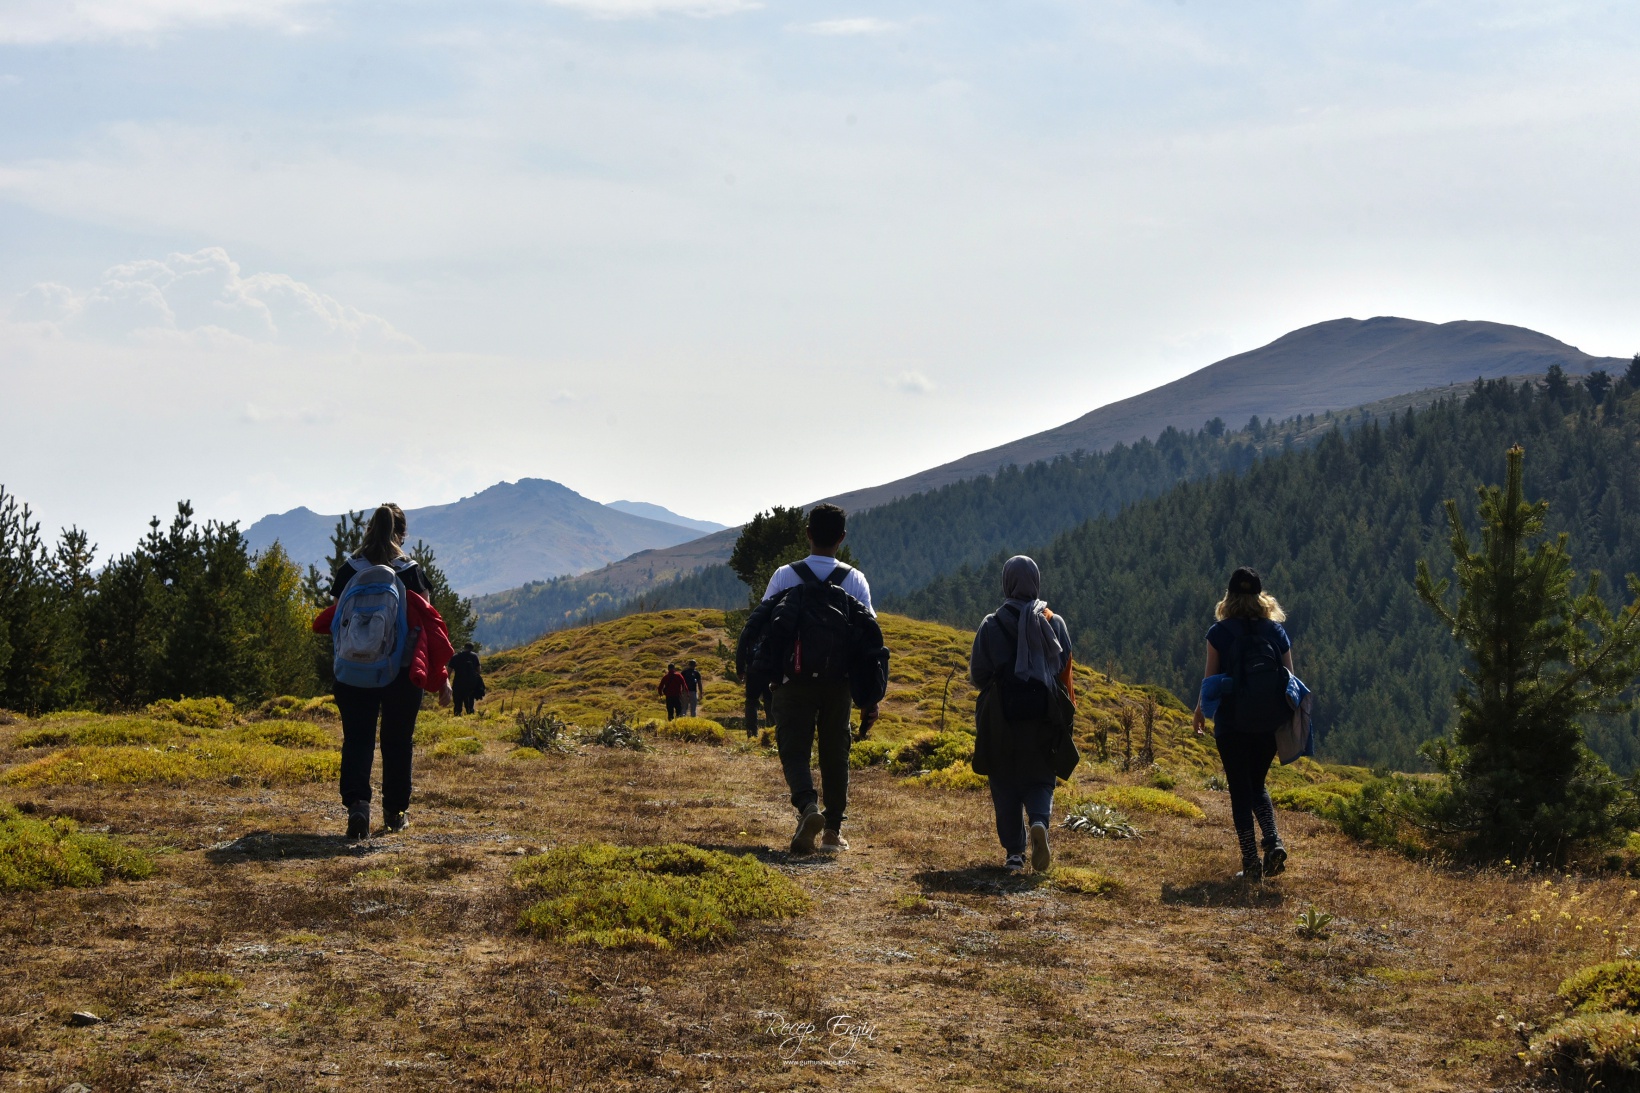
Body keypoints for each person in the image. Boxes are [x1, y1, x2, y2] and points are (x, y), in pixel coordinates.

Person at [754, 503, 881, 855]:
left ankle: (808, 808)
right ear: (841, 538)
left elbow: (766, 626)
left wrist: (767, 679)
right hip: (839, 684)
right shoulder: (854, 580)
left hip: (791, 681)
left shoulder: (784, 576)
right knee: (835, 752)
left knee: (794, 749)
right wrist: (871, 696)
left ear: (807, 533)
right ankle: (832, 831)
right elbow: (871, 640)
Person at [321, 503, 452, 839]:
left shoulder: (350, 568)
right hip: (401, 671)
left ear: (368, 528)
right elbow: (428, 625)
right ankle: (394, 813)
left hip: (353, 671)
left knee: (358, 739)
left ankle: (358, 807)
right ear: (402, 533)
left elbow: (336, 618)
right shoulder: (409, 570)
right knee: (397, 741)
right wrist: (442, 676)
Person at [969, 556, 1078, 874]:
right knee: (1041, 778)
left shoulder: (991, 623)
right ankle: (1039, 824)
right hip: (1044, 717)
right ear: (1036, 581)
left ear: (1007, 582)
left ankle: (1014, 854)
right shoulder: (1054, 622)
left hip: (1002, 717)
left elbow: (978, 674)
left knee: (1004, 782)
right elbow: (1064, 670)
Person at [1193, 566, 1293, 882]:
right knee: (1257, 783)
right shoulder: (1275, 632)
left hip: (1232, 724)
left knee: (1240, 790)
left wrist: (1199, 711)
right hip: (1268, 725)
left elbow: (1211, 683)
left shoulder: (1219, 633)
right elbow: (1289, 681)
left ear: (1230, 596)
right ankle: (1273, 840)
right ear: (1260, 597)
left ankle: (1251, 863)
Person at [448, 642, 484, 716]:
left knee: (458, 704)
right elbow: (479, 670)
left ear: (464, 647)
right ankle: (470, 716)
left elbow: (449, 671)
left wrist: (447, 682)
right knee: (470, 704)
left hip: (458, 683)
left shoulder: (455, 656)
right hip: (471, 684)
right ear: (472, 648)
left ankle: (457, 716)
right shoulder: (474, 656)